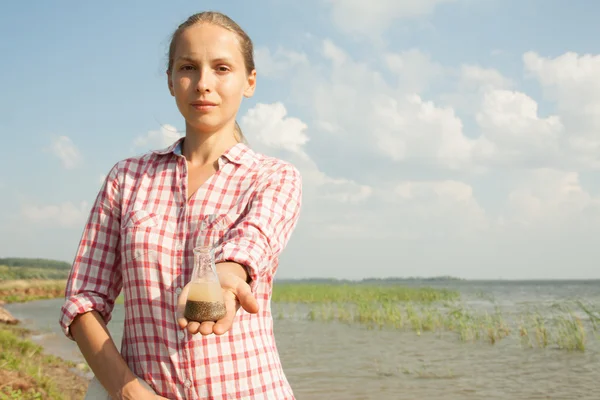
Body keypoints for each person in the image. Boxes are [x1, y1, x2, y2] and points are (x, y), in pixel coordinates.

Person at [59, 11, 302, 400]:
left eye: (222, 68)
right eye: (188, 67)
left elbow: (253, 239)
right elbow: (83, 300)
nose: (204, 84)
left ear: (249, 81)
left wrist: (225, 278)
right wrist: (128, 391)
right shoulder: (127, 179)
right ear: (171, 80)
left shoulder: (273, 176)